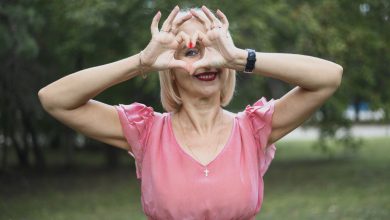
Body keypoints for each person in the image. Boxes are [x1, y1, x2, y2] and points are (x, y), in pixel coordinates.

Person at [38, 5, 343, 220]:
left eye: (213, 50)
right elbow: (54, 99)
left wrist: (238, 56)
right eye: (191, 52)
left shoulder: (253, 128)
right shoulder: (145, 132)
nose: (206, 62)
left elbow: (329, 78)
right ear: (169, 69)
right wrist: (143, 61)